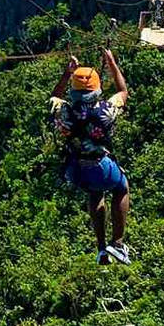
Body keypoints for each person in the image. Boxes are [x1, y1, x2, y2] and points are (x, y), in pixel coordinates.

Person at [52, 49, 131, 264]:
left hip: (75, 168)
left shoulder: (64, 111)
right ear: (97, 89)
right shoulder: (106, 110)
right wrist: (112, 63)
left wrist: (67, 74)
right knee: (121, 187)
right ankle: (117, 243)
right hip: (100, 164)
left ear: (74, 91)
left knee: (95, 195)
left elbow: (54, 97)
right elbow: (123, 91)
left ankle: (101, 249)